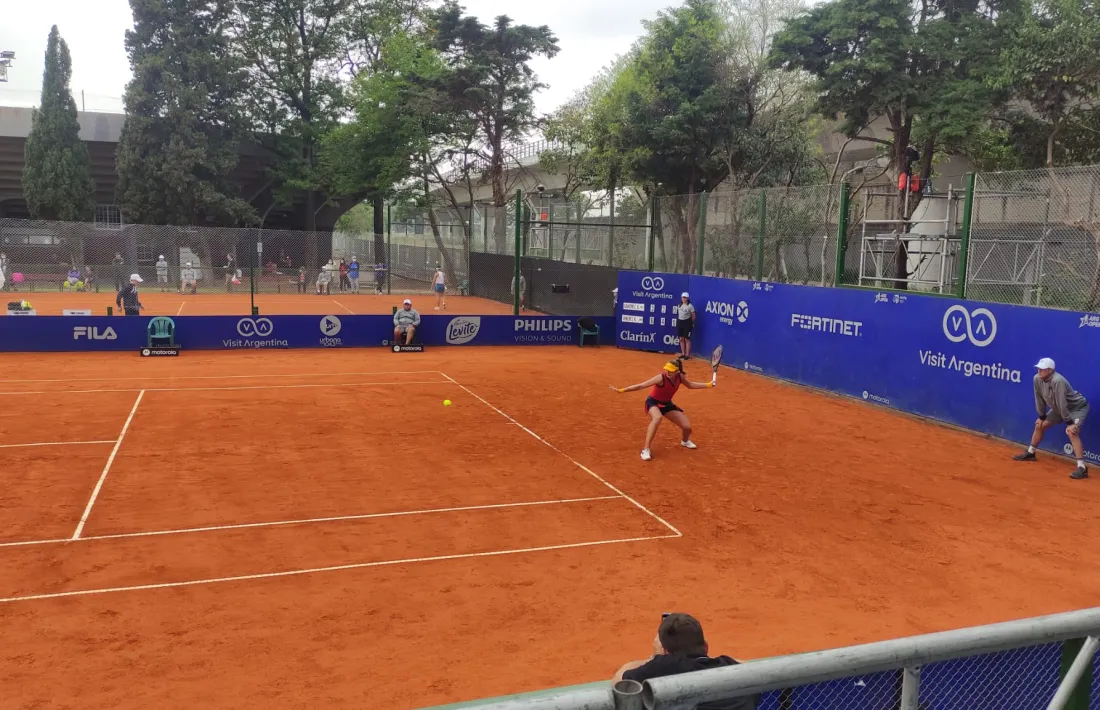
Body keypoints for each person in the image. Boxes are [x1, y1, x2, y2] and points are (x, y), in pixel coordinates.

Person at [613, 613, 756, 710]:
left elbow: (619, 681)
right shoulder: (734, 670)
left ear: (665, 652)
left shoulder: (663, 667)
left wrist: (657, 657)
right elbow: (747, 665)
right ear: (706, 646)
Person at [610, 358, 715, 461]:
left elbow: (690, 385)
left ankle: (685, 441)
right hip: (653, 402)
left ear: (677, 371)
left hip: (667, 404)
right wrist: (622, 390)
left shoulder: (680, 377)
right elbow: (641, 385)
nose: (668, 372)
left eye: (671, 370)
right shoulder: (661, 377)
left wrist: (708, 384)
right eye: (667, 369)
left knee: (687, 427)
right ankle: (645, 449)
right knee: (657, 418)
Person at [1013, 357, 1091, 479]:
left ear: (1050, 370)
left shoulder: (1057, 381)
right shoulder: (1036, 379)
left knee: (1071, 432)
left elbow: (1062, 403)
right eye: (1038, 368)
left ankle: (1082, 467)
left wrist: (1069, 423)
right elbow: (1039, 398)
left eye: (1042, 369)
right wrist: (1041, 416)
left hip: (1077, 408)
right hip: (1059, 408)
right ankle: (1030, 453)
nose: (1039, 371)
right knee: (1039, 425)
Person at [676, 292, 696, 359]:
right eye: (683, 297)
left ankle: (687, 355)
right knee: (681, 339)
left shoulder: (690, 306)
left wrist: (691, 323)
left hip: (687, 323)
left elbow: (693, 316)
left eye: (685, 297)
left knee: (687, 339)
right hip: (680, 322)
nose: (683, 299)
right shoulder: (679, 305)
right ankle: (683, 353)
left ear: (687, 298)